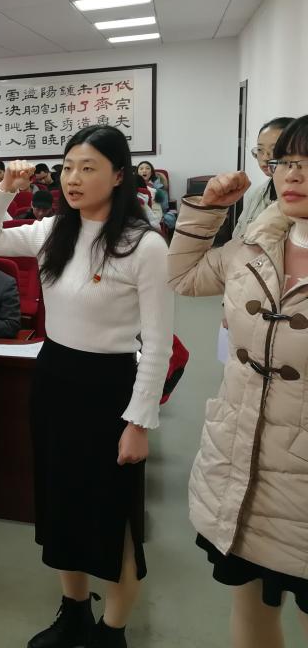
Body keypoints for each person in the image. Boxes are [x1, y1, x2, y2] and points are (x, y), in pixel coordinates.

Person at [0, 126, 173, 648]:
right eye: (67, 167)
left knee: (110, 514)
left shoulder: (143, 245)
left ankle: (113, 631)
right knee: (59, 501)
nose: (73, 178)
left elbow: (157, 344)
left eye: (88, 167)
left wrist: (139, 422)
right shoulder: (54, 230)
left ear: (119, 175)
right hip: (55, 377)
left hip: (110, 388)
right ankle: (75, 611)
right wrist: (3, 191)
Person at [167, 115, 308, 648]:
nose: (293, 174)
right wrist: (207, 211)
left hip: (301, 481)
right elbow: (181, 277)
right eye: (286, 162)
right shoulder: (252, 247)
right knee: (250, 608)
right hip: (240, 466)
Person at [233, 117, 295, 240]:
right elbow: (238, 233)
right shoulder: (257, 193)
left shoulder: (299, 199)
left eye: (274, 149)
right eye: (260, 150)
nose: (265, 157)